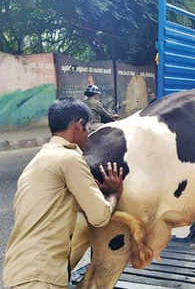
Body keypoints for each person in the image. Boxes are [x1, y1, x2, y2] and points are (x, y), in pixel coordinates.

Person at [3, 98, 124, 289]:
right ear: (78, 125)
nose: (89, 134)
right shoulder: (68, 158)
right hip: (41, 276)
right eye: (88, 127)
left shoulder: (40, 160)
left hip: (19, 271)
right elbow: (99, 217)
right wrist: (115, 193)